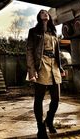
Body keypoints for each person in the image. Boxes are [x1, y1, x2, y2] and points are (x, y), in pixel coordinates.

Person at [26, 9, 65, 138]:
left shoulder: (53, 31)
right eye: (42, 12)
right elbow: (30, 51)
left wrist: (61, 67)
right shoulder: (34, 31)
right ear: (39, 17)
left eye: (46, 12)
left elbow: (58, 52)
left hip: (54, 65)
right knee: (39, 99)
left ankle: (49, 120)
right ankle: (40, 127)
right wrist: (32, 70)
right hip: (41, 65)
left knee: (56, 99)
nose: (45, 13)